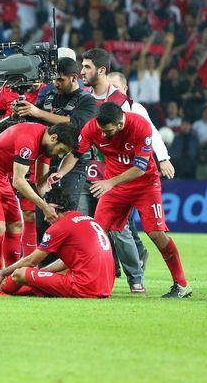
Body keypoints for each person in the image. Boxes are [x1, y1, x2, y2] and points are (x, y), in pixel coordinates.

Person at [54, 103, 192, 298]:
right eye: (101, 130)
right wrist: (60, 173)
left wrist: (109, 183)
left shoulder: (140, 126)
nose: (102, 135)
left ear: (120, 125)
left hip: (145, 185)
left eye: (107, 131)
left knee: (156, 234)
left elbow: (141, 167)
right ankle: (84, 280)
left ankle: (181, 285)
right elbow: (76, 154)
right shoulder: (93, 127)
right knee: (95, 233)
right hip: (115, 187)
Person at [80, 48, 167, 292]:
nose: (82, 72)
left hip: (117, 174)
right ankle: (92, 273)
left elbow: (148, 133)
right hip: (87, 170)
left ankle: (135, 276)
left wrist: (163, 158)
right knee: (94, 226)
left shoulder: (125, 105)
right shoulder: (83, 97)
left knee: (122, 230)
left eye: (86, 67)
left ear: (102, 71)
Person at [0, 122, 78, 296]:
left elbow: (39, 183)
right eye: (61, 150)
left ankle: (9, 280)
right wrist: (43, 207)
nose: (61, 155)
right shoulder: (28, 139)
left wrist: (49, 204)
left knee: (16, 227)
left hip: (1, 178)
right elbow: (19, 181)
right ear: (54, 138)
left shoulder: (46, 147)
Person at [13, 58, 96, 250]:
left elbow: (75, 125)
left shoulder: (87, 100)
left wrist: (37, 113)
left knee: (64, 212)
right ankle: (44, 265)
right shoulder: (47, 92)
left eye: (61, 80)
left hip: (73, 162)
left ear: (74, 77)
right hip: (44, 157)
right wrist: (22, 111)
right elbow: (33, 118)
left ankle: (65, 262)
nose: (56, 84)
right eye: (54, 80)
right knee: (43, 213)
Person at [0, 186, 114, 298]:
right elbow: (67, 262)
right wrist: (41, 273)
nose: (45, 218)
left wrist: (4, 272)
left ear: (55, 207)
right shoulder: (87, 219)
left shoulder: (59, 227)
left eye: (45, 209)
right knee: (46, 275)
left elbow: (31, 260)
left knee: (19, 274)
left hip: (83, 286)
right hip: (105, 286)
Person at [0, 80, 46, 264]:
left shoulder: (47, 90)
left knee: (29, 214)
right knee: (1, 220)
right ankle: (3, 267)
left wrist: (35, 112)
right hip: (3, 159)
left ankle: (29, 263)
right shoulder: (7, 89)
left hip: (31, 156)